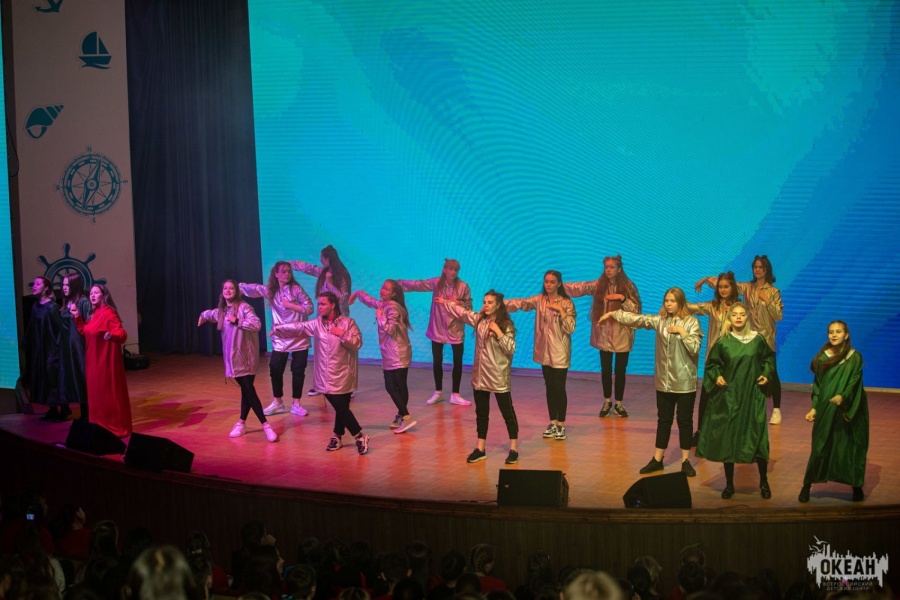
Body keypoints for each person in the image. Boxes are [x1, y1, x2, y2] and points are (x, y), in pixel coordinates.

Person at [598, 288, 702, 476]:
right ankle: (657, 459)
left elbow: (694, 348)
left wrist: (682, 332)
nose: (668, 304)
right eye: (666, 300)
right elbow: (638, 320)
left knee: (684, 421)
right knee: (663, 421)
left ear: (680, 302)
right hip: (664, 382)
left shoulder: (692, 322)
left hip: (684, 383)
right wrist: (614, 314)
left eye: (672, 300)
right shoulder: (660, 321)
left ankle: (686, 461)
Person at [696, 303, 775, 499]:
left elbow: (768, 360)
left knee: (757, 438)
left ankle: (764, 482)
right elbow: (712, 365)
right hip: (730, 397)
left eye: (742, 314)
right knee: (729, 440)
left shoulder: (758, 340)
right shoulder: (723, 342)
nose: (738, 317)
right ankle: (729, 484)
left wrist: (766, 374)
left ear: (747, 317)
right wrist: (717, 376)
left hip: (752, 397)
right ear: (729, 318)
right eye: (735, 315)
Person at [274, 292, 369, 454]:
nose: (319, 307)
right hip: (325, 375)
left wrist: (343, 334)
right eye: (318, 304)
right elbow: (299, 327)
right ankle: (352, 435)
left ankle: (347, 436)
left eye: (323, 304)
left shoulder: (348, 322)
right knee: (341, 407)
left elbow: (357, 343)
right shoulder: (317, 323)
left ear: (333, 305)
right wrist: (278, 329)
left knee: (341, 407)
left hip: (344, 373)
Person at [699, 255, 783, 424]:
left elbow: (778, 316)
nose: (758, 270)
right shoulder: (747, 287)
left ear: (767, 270)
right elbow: (727, 284)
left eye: (761, 267)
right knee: (750, 372)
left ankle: (776, 409)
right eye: (755, 267)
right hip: (749, 337)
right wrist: (706, 279)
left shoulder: (774, 292)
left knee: (771, 372)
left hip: (766, 338)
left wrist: (768, 301)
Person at [438, 290, 518, 464]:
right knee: (481, 414)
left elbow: (511, 348)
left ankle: (514, 448)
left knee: (507, 413)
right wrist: (447, 303)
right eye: (484, 302)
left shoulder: (506, 325)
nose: (486, 305)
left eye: (490, 302)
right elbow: (463, 313)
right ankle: (480, 449)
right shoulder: (480, 320)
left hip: (498, 377)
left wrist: (499, 332)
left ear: (498, 305)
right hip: (480, 377)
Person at [198, 280, 277, 442]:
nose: (228, 291)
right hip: (234, 358)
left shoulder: (244, 307)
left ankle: (265, 425)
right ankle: (241, 423)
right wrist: (203, 315)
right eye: (225, 288)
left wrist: (237, 321)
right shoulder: (222, 311)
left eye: (231, 288)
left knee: (248, 391)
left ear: (237, 291)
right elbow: (212, 314)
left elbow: (257, 324)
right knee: (247, 391)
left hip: (247, 357)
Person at [799, 320, 868, 503]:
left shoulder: (854, 357)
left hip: (851, 408)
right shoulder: (823, 358)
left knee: (850, 448)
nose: (834, 335)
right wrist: (814, 407)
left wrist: (842, 397)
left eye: (838, 331)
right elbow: (818, 385)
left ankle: (856, 486)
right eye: (831, 332)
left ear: (846, 335)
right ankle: (807, 485)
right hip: (826, 408)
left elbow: (854, 382)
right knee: (820, 447)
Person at [565, 255, 641, 418]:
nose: (608, 270)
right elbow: (581, 287)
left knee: (620, 370)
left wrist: (622, 298)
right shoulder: (600, 284)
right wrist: (559, 286)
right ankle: (607, 401)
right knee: (606, 369)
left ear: (619, 269)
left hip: (621, 334)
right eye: (606, 267)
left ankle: (618, 403)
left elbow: (636, 310)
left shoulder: (628, 286)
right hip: (604, 334)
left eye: (612, 267)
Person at [505, 270, 576, 441]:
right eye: (546, 281)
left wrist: (562, 311)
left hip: (559, 352)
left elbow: (570, 328)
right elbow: (521, 303)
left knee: (559, 388)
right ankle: (552, 422)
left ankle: (561, 425)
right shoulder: (540, 300)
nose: (549, 285)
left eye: (552, 282)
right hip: (544, 351)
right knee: (549, 387)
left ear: (559, 284)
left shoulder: (566, 303)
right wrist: (500, 304)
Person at [240, 262, 314, 418]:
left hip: (299, 336)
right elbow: (254, 289)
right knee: (275, 369)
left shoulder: (296, 289)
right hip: (281, 338)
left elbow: (309, 308)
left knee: (298, 371)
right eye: (283, 271)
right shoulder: (271, 290)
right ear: (276, 274)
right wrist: (236, 287)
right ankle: (278, 402)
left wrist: (291, 306)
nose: (287, 274)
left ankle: (296, 404)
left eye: (289, 272)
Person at [398, 259, 473, 407]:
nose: (453, 272)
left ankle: (455, 394)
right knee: (437, 361)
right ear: (444, 269)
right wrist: (398, 284)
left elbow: (469, 306)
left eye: (455, 270)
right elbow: (418, 284)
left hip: (456, 329)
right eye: (450, 269)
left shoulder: (463, 286)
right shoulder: (437, 283)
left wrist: (458, 302)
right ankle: (438, 392)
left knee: (457, 362)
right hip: (437, 328)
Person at [350, 280, 417, 433]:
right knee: (396, 385)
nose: (382, 290)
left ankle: (406, 417)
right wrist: (357, 293)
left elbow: (391, 330)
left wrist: (380, 318)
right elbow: (371, 301)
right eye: (382, 287)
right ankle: (402, 415)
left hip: (398, 353)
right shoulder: (384, 305)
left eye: (387, 289)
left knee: (394, 385)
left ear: (393, 294)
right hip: (390, 352)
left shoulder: (392, 308)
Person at [70, 284, 133, 437]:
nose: (92, 295)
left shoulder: (108, 313)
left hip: (104, 362)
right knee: (96, 395)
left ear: (104, 295)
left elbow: (122, 333)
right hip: (93, 362)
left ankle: (112, 425)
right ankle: (98, 425)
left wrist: (112, 335)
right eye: (91, 293)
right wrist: (77, 316)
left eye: (96, 293)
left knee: (107, 394)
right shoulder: (94, 313)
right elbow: (85, 331)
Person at [291, 245, 353, 396]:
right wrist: (290, 264)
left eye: (322, 258)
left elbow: (342, 298)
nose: (320, 261)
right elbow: (309, 268)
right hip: (323, 320)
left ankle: (347, 387)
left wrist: (330, 284)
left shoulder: (341, 275)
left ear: (328, 259)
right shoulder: (324, 272)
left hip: (338, 319)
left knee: (340, 353)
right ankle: (320, 384)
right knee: (321, 352)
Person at [688, 271, 740, 442]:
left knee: (728, 397)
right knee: (706, 396)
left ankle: (727, 434)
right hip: (713, 359)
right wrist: (676, 302)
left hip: (732, 359)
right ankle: (701, 432)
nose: (723, 290)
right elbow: (694, 308)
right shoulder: (713, 306)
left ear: (733, 288)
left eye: (726, 286)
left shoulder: (739, 309)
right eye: (720, 287)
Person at [57, 273, 92, 421]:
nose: (64, 288)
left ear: (75, 286)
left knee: (80, 377)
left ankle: (86, 414)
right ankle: (65, 408)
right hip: (66, 348)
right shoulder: (66, 303)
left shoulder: (83, 302)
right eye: (63, 285)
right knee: (66, 377)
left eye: (68, 285)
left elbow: (89, 325)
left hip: (78, 348)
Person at [25, 276, 61, 419]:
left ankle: (61, 408)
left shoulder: (52, 307)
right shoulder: (35, 306)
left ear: (46, 288)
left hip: (50, 349)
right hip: (39, 349)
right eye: (34, 283)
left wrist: (57, 350)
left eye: (38, 284)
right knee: (43, 378)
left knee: (52, 378)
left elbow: (59, 330)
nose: (34, 286)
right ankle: (51, 408)